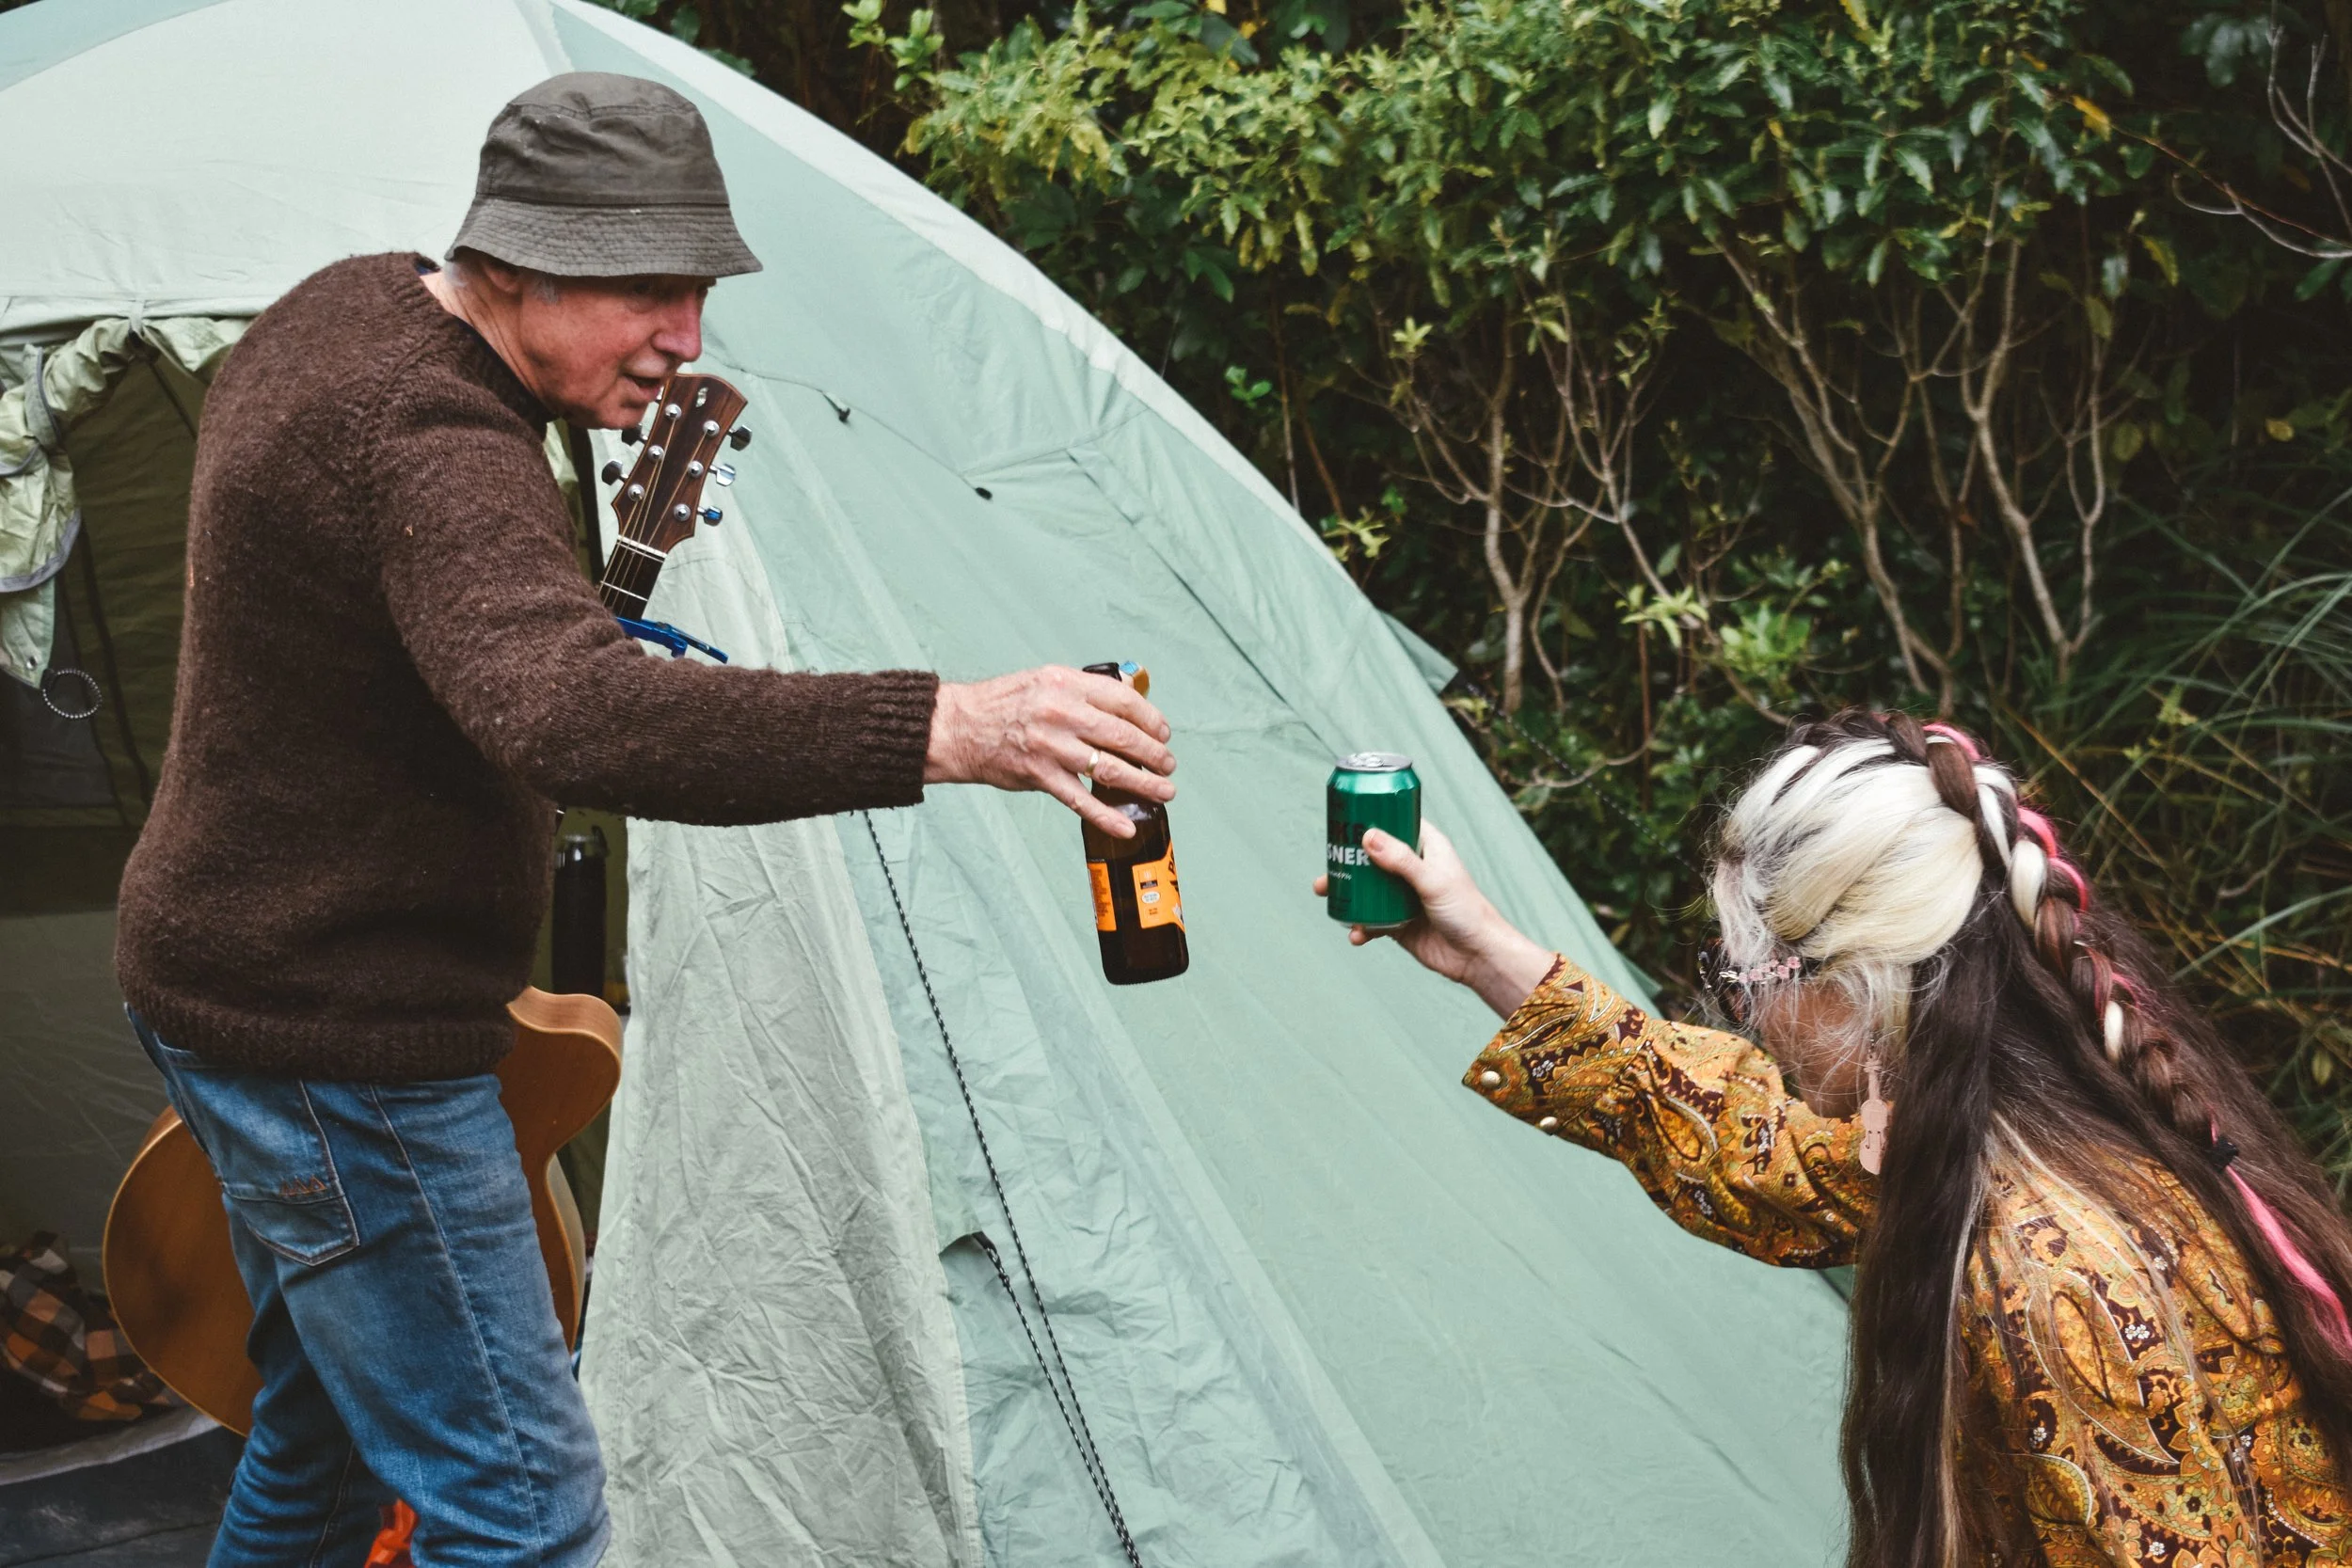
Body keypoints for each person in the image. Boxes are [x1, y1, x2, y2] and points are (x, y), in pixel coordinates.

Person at [112, 73, 1175, 1567]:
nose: (686, 339)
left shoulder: (343, 307)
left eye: (699, 293)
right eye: (652, 292)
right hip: (336, 1042)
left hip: (225, 974)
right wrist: (957, 724)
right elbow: (572, 709)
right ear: (523, 258)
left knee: (325, 1440)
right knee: (527, 1510)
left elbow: (466, 659)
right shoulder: (433, 436)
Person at [1328, 709, 2352, 1566]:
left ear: (1855, 985)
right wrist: (1488, 955)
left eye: (1745, 983)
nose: (1748, 1023)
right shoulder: (1999, 1143)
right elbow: (1747, 1146)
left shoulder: (2054, 1267)